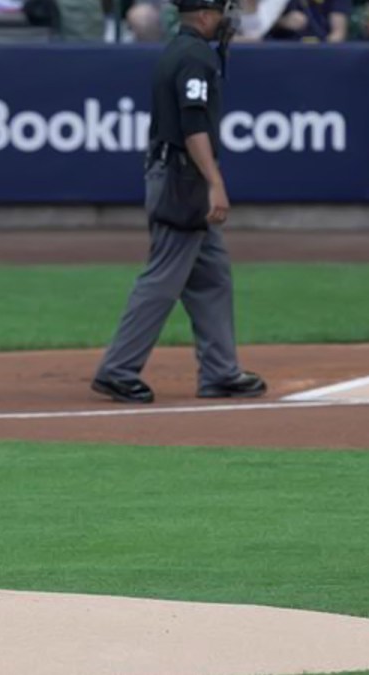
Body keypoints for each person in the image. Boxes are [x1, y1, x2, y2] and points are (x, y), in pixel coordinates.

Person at [91, 0, 266, 404]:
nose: (228, 21)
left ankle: (220, 372)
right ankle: (118, 370)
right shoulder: (194, 56)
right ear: (204, 16)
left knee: (212, 274)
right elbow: (193, 126)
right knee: (163, 276)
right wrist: (215, 182)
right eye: (222, 13)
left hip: (175, 172)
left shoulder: (184, 49)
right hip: (181, 177)